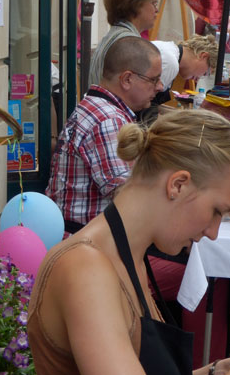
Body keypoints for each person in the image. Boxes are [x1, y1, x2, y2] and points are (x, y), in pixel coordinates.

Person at [29, 109, 230, 375]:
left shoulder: (129, 256)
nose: (214, 232)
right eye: (216, 211)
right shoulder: (86, 267)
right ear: (178, 184)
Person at [47, 37, 164, 233]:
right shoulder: (109, 121)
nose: (160, 86)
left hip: (82, 236)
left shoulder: (97, 107)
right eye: (154, 79)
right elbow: (128, 197)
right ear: (127, 79)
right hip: (89, 245)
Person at [89, 0, 161, 86]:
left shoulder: (115, 36)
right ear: (134, 4)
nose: (157, 10)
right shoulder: (128, 44)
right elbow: (132, 94)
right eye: (153, 3)